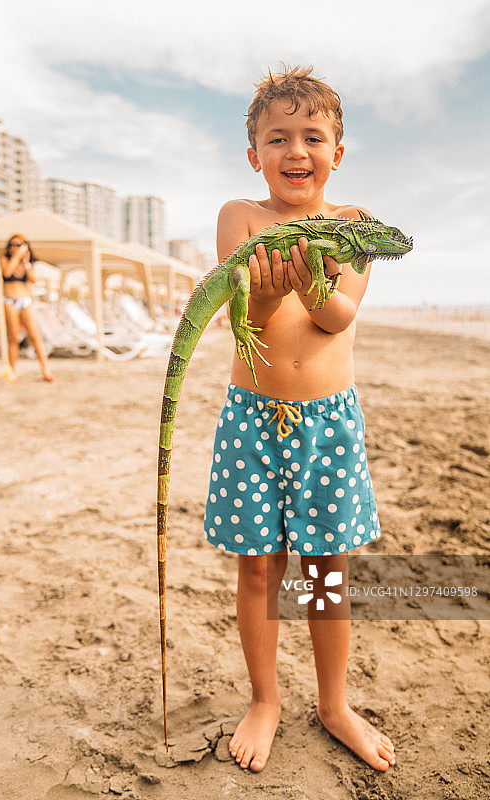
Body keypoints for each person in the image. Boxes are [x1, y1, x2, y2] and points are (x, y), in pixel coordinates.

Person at [203, 65, 396, 773]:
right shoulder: (240, 218)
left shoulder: (356, 227)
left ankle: (333, 702)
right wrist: (262, 291)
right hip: (253, 416)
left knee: (325, 569)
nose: (295, 150)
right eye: (276, 137)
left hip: (329, 424)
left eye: (312, 136)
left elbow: (337, 315)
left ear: (336, 153)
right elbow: (243, 318)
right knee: (258, 568)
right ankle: (266, 698)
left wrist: (309, 277)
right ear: (255, 153)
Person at [0, 233, 54, 381]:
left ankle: (45, 370)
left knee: (35, 336)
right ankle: (12, 371)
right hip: (9, 299)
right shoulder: (5, 259)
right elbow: (7, 272)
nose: (14, 248)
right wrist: (16, 257)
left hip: (25, 299)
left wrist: (26, 262)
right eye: (12, 245)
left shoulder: (26, 262)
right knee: (14, 337)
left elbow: (33, 279)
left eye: (18, 245)